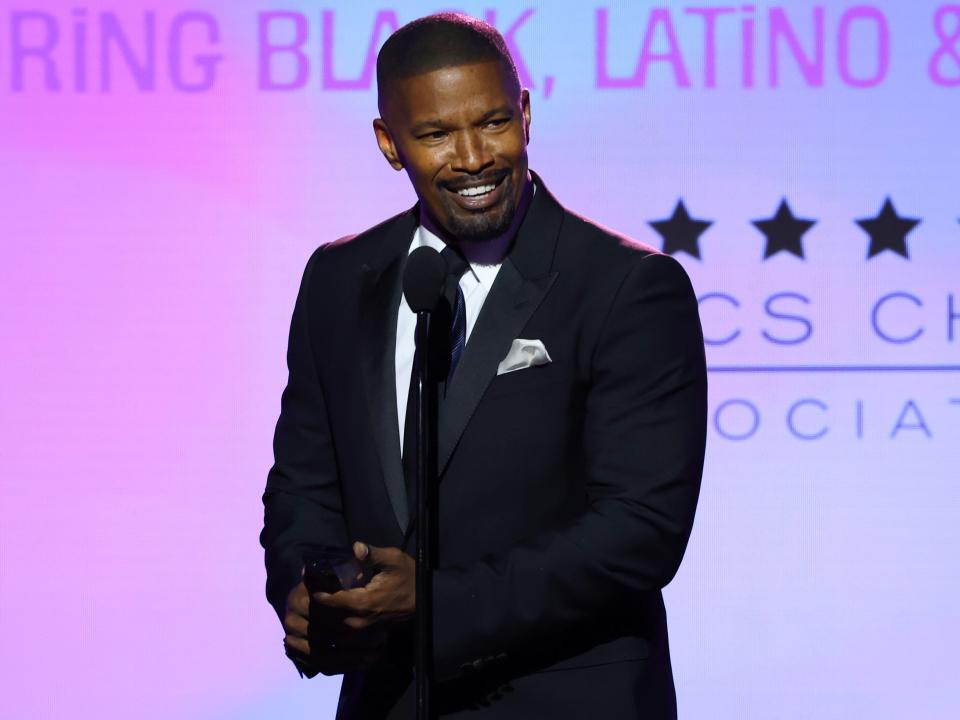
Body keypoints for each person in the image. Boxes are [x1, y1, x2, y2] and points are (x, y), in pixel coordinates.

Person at [259, 12, 707, 719]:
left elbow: (640, 530)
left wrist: (435, 607)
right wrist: (316, 598)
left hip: (568, 700)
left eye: (493, 122)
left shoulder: (625, 286)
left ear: (525, 114)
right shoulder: (340, 279)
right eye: (436, 134)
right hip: (389, 703)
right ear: (389, 143)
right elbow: (303, 486)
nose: (472, 158)